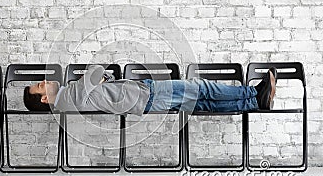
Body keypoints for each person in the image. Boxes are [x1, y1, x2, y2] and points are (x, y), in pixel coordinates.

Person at [23, 65, 277, 116]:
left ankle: (255, 102)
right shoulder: (67, 96)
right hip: (146, 94)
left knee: (202, 104)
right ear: (44, 98)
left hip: (142, 100)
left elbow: (99, 77)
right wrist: (97, 76)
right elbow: (97, 70)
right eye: (40, 86)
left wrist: (99, 77)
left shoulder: (71, 98)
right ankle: (253, 93)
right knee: (201, 88)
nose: (44, 81)